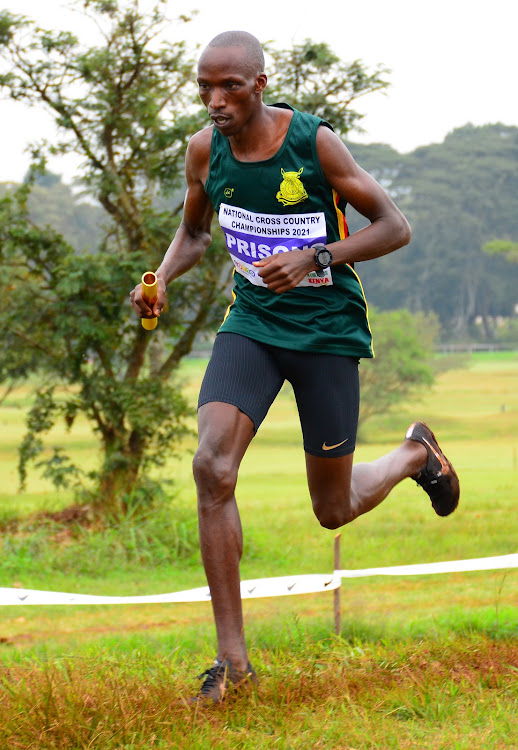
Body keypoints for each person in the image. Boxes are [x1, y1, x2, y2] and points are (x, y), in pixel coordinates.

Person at [130, 30, 460, 704]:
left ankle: (412, 455)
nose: (215, 101)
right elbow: (194, 234)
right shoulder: (204, 150)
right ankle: (233, 666)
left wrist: (319, 257)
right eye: (205, 87)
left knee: (332, 509)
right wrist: (160, 277)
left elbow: (394, 226)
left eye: (230, 87)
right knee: (211, 466)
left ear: (259, 81)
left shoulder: (314, 143)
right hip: (252, 324)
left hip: (325, 330)